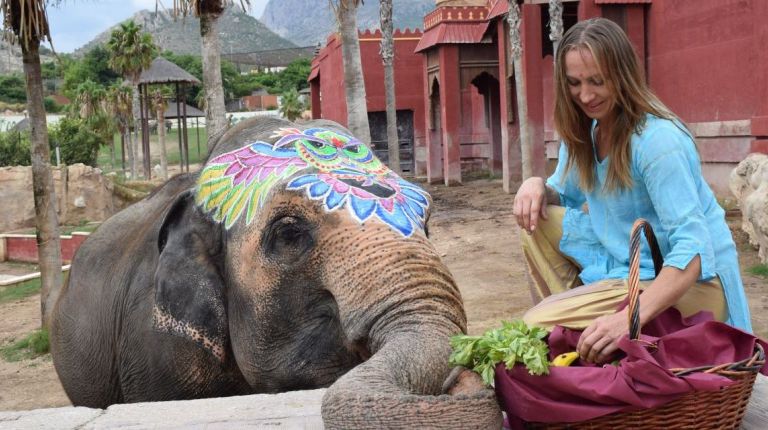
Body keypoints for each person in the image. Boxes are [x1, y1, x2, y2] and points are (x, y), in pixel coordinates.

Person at [513, 18, 752, 365]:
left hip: (693, 283)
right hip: (629, 267)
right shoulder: (588, 131)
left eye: (597, 81)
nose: (586, 95)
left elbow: (694, 251)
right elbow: (563, 194)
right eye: (575, 83)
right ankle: (593, 334)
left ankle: (605, 328)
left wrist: (628, 318)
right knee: (535, 221)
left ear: (622, 75)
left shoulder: (657, 142)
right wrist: (535, 185)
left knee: (535, 323)